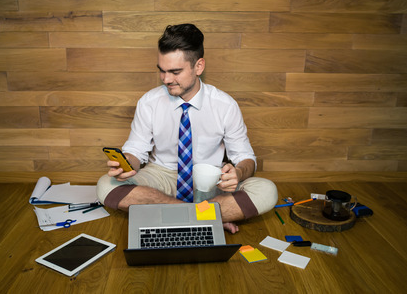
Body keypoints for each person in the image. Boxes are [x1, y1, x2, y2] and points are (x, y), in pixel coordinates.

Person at [97, 23, 278, 234]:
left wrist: (238, 172)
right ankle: (203, 216)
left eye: (175, 72)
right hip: (161, 176)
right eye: (162, 71)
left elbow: (246, 158)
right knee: (106, 185)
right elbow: (136, 150)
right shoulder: (149, 102)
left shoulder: (225, 105)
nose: (166, 79)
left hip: (209, 181)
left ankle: (176, 214)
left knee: (267, 191)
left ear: (198, 66)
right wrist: (126, 164)